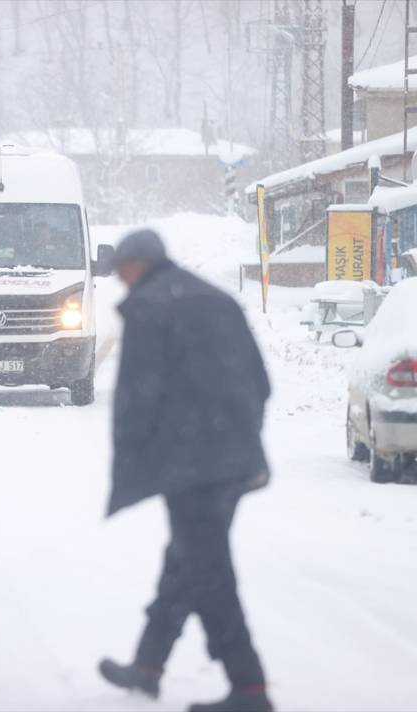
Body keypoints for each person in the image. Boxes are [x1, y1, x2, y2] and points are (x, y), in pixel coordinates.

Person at [98, 229, 274, 712]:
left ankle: (248, 686)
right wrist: (239, 439)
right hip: (233, 457)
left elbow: (138, 396)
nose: (119, 281)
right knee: (187, 560)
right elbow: (260, 381)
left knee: (208, 571)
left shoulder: (151, 306)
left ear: (138, 264)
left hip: (191, 465)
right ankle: (148, 666)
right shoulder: (215, 298)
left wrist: (135, 459)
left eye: (121, 271)